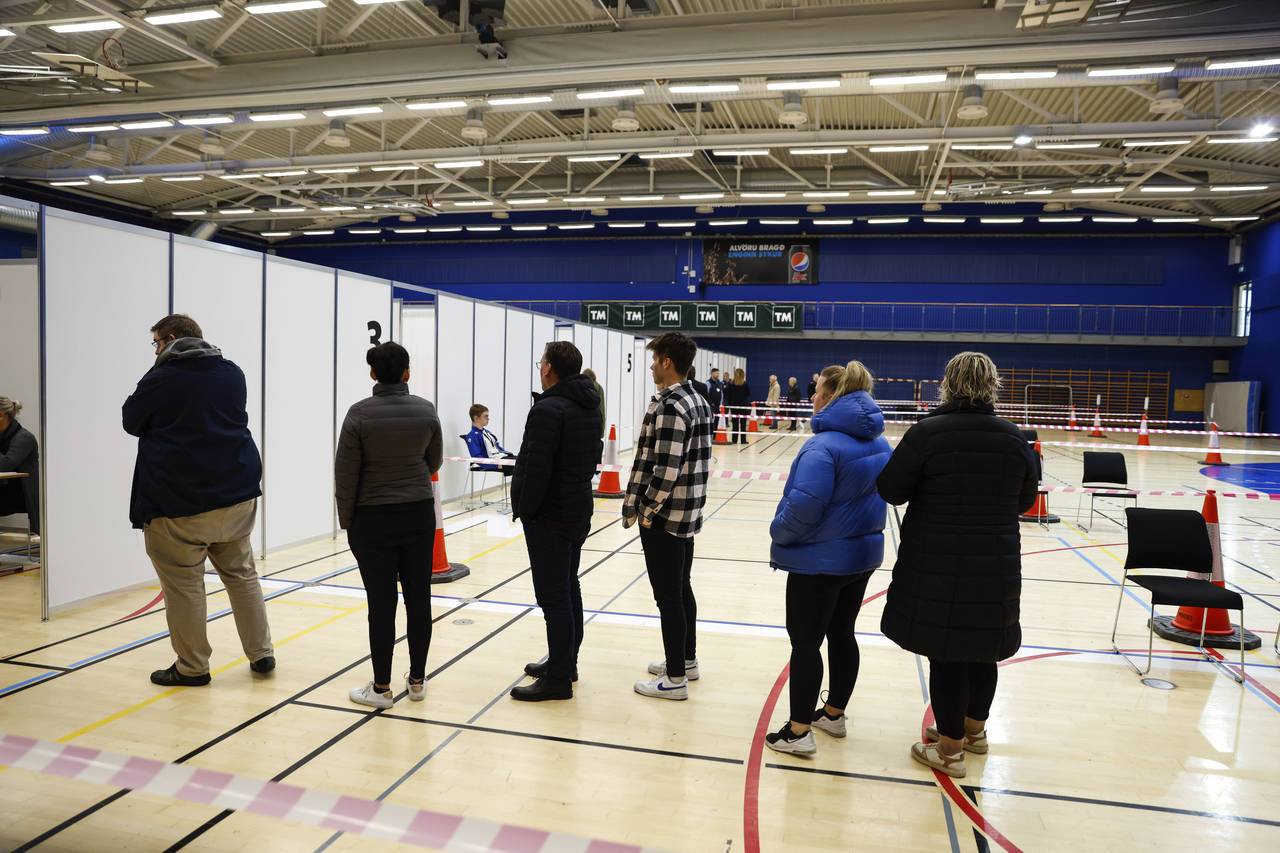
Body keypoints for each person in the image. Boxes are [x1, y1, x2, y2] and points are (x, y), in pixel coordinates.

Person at [876, 351, 1039, 778]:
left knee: (947, 653)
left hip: (937, 566)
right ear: (993, 385)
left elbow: (892, 489)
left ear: (946, 384)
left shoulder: (927, 433)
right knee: (984, 651)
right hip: (996, 566)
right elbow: (1025, 500)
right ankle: (974, 732)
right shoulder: (1013, 437)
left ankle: (949, 752)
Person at [124, 314, 273, 687]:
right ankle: (262, 653)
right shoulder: (231, 372)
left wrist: (156, 368)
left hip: (179, 503)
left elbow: (131, 420)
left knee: (185, 586)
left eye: (157, 342)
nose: (156, 349)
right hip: (237, 494)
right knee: (242, 577)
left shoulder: (160, 379)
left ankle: (192, 667)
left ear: (171, 339)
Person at [764, 361, 892, 755]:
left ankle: (799, 731)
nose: (812, 395)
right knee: (842, 633)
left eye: (818, 389)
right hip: (860, 556)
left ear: (832, 396)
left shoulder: (822, 445)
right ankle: (833, 715)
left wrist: (777, 532)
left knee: (805, 643)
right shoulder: (879, 441)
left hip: (819, 561)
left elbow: (804, 508)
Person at [336, 342, 443, 710]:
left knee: (381, 604)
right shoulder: (426, 411)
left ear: (372, 374)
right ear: (408, 373)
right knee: (419, 599)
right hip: (417, 513)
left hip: (372, 519)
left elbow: (345, 475)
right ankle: (417, 681)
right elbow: (435, 459)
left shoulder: (359, 414)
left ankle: (381, 689)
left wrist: (348, 522)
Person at [510, 341, 603, 701]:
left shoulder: (549, 409)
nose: (539, 367)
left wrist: (527, 510)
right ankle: (566, 662)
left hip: (551, 515)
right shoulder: (588, 405)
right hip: (577, 507)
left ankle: (559, 678)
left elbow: (536, 467)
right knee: (568, 587)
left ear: (549, 368)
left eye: (541, 362)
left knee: (554, 598)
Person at [623, 332, 712, 701]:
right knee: (681, 588)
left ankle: (675, 678)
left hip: (666, 515)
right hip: (686, 512)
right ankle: (685, 660)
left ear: (667, 362)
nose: (650, 365)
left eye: (654, 358)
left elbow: (666, 470)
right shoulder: (698, 400)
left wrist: (646, 510)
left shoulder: (673, 406)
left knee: (668, 598)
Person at [0, 397, 39, 537]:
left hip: (21, 494)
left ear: (2, 416)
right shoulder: (2, 435)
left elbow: (5, 465)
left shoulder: (24, 438)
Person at [464, 404, 515, 474]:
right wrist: (496, 466)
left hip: (502, 458)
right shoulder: (472, 436)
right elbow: (476, 458)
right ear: (476, 418)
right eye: (485, 416)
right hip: (495, 461)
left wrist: (510, 455)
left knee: (527, 460)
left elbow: (499, 448)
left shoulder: (488, 432)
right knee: (524, 465)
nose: (488, 419)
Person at [724, 368, 751, 444]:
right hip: (743, 406)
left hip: (734, 406)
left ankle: (734, 440)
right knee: (743, 423)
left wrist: (730, 403)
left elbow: (728, 395)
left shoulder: (731, 384)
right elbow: (748, 393)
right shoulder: (745, 384)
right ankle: (743, 440)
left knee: (735, 424)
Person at [583, 368, 607, 438]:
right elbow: (602, 410)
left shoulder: (581, 387)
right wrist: (602, 432)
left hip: (584, 426)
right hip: (596, 425)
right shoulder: (599, 388)